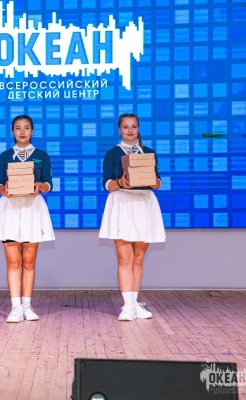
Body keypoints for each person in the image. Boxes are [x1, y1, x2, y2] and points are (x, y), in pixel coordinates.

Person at [99, 113, 165, 321]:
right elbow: (106, 183)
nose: (130, 130)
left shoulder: (149, 152)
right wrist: (120, 182)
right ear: (119, 129)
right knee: (125, 258)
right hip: (122, 203)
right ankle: (127, 306)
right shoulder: (112, 153)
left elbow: (158, 181)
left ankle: (135, 303)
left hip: (145, 203)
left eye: (134, 126)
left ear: (138, 129)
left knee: (138, 258)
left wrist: (154, 182)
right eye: (126, 127)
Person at [0, 115, 55, 323]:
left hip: (33, 209)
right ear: (13, 132)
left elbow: (49, 184)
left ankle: (27, 306)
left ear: (32, 131)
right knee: (13, 261)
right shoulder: (5, 156)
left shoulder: (41, 155)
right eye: (18, 128)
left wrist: (40, 186)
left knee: (29, 260)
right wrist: (4, 189)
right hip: (10, 209)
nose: (22, 131)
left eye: (26, 128)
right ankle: (15, 307)